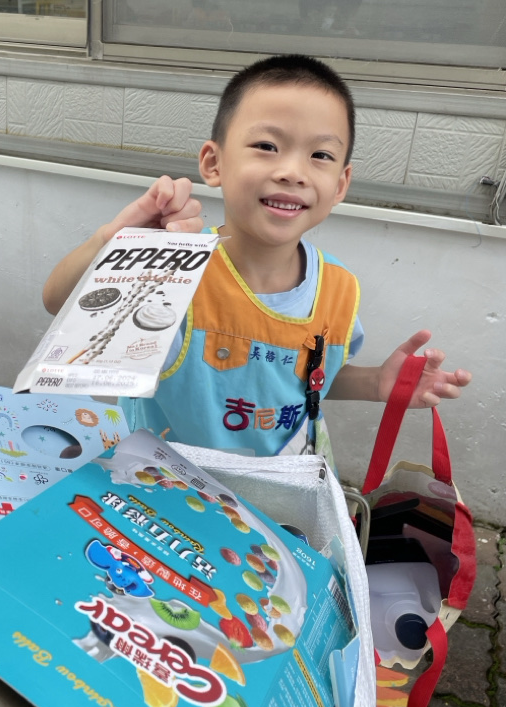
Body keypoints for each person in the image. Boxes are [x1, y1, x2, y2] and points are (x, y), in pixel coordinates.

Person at [42, 55, 470, 461]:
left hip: (276, 494)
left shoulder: (338, 289)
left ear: (340, 184)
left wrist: (376, 383)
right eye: (267, 145)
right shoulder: (172, 266)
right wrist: (111, 244)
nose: (293, 172)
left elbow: (308, 379)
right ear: (214, 163)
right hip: (163, 488)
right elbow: (60, 304)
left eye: (320, 155)